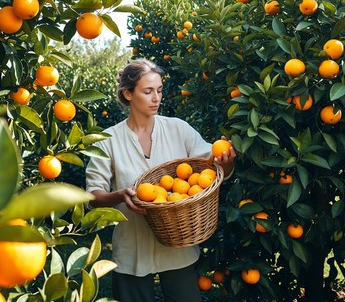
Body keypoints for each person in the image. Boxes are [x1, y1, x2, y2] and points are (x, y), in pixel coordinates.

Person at [85, 58, 236, 302]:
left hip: (179, 249)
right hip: (132, 251)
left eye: (159, 90)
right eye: (147, 91)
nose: (156, 98)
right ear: (128, 94)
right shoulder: (107, 140)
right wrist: (120, 195)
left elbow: (212, 165)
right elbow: (93, 196)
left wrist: (226, 161)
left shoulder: (179, 129)